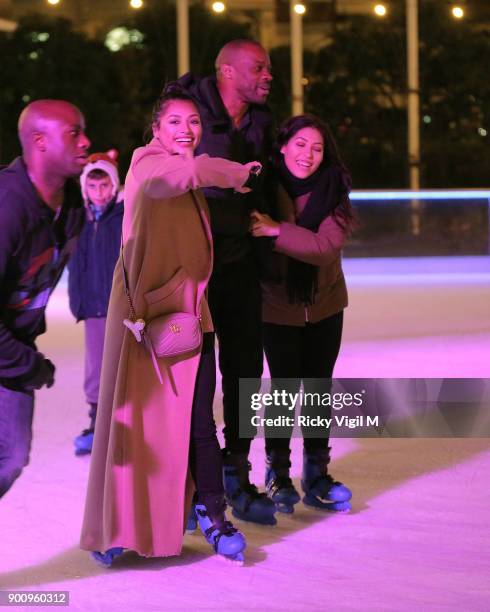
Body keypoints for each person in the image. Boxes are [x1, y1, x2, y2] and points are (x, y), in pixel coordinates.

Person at [80, 85, 262, 565]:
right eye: (176, 122)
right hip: (145, 317)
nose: (187, 130)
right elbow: (188, 172)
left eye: (195, 122)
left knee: (200, 421)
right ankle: (119, 526)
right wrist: (239, 171)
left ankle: (211, 512)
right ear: (156, 129)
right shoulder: (148, 165)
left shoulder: (186, 175)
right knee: (136, 425)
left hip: (189, 317)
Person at [179, 39, 277, 526]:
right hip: (193, 272)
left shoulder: (262, 121)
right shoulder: (186, 113)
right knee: (196, 382)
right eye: (259, 67)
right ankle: (197, 483)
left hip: (239, 267)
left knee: (244, 375)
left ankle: (237, 471)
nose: (268, 75)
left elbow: (273, 184)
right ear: (227, 71)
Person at [250, 114, 355, 514]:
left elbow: (325, 247)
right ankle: (277, 473)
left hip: (326, 304)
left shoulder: (334, 190)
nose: (307, 155)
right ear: (282, 146)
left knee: (317, 389)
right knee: (282, 391)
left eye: (316, 148)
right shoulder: (263, 188)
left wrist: (277, 231)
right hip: (276, 306)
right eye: (300, 145)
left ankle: (316, 474)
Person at [0, 100, 89, 498]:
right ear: (39, 142)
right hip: (13, 352)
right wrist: (30, 366)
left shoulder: (72, 205)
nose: (86, 141)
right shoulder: (8, 207)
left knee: (13, 455)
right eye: (74, 133)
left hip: (14, 346)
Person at [68, 150, 124, 456]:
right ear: (84, 188)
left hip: (120, 305)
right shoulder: (81, 219)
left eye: (104, 186)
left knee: (122, 366)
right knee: (96, 369)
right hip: (93, 306)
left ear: (114, 186)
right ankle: (96, 422)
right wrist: (78, 299)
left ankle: (124, 425)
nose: (99, 193)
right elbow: (75, 262)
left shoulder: (125, 215)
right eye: (93, 187)